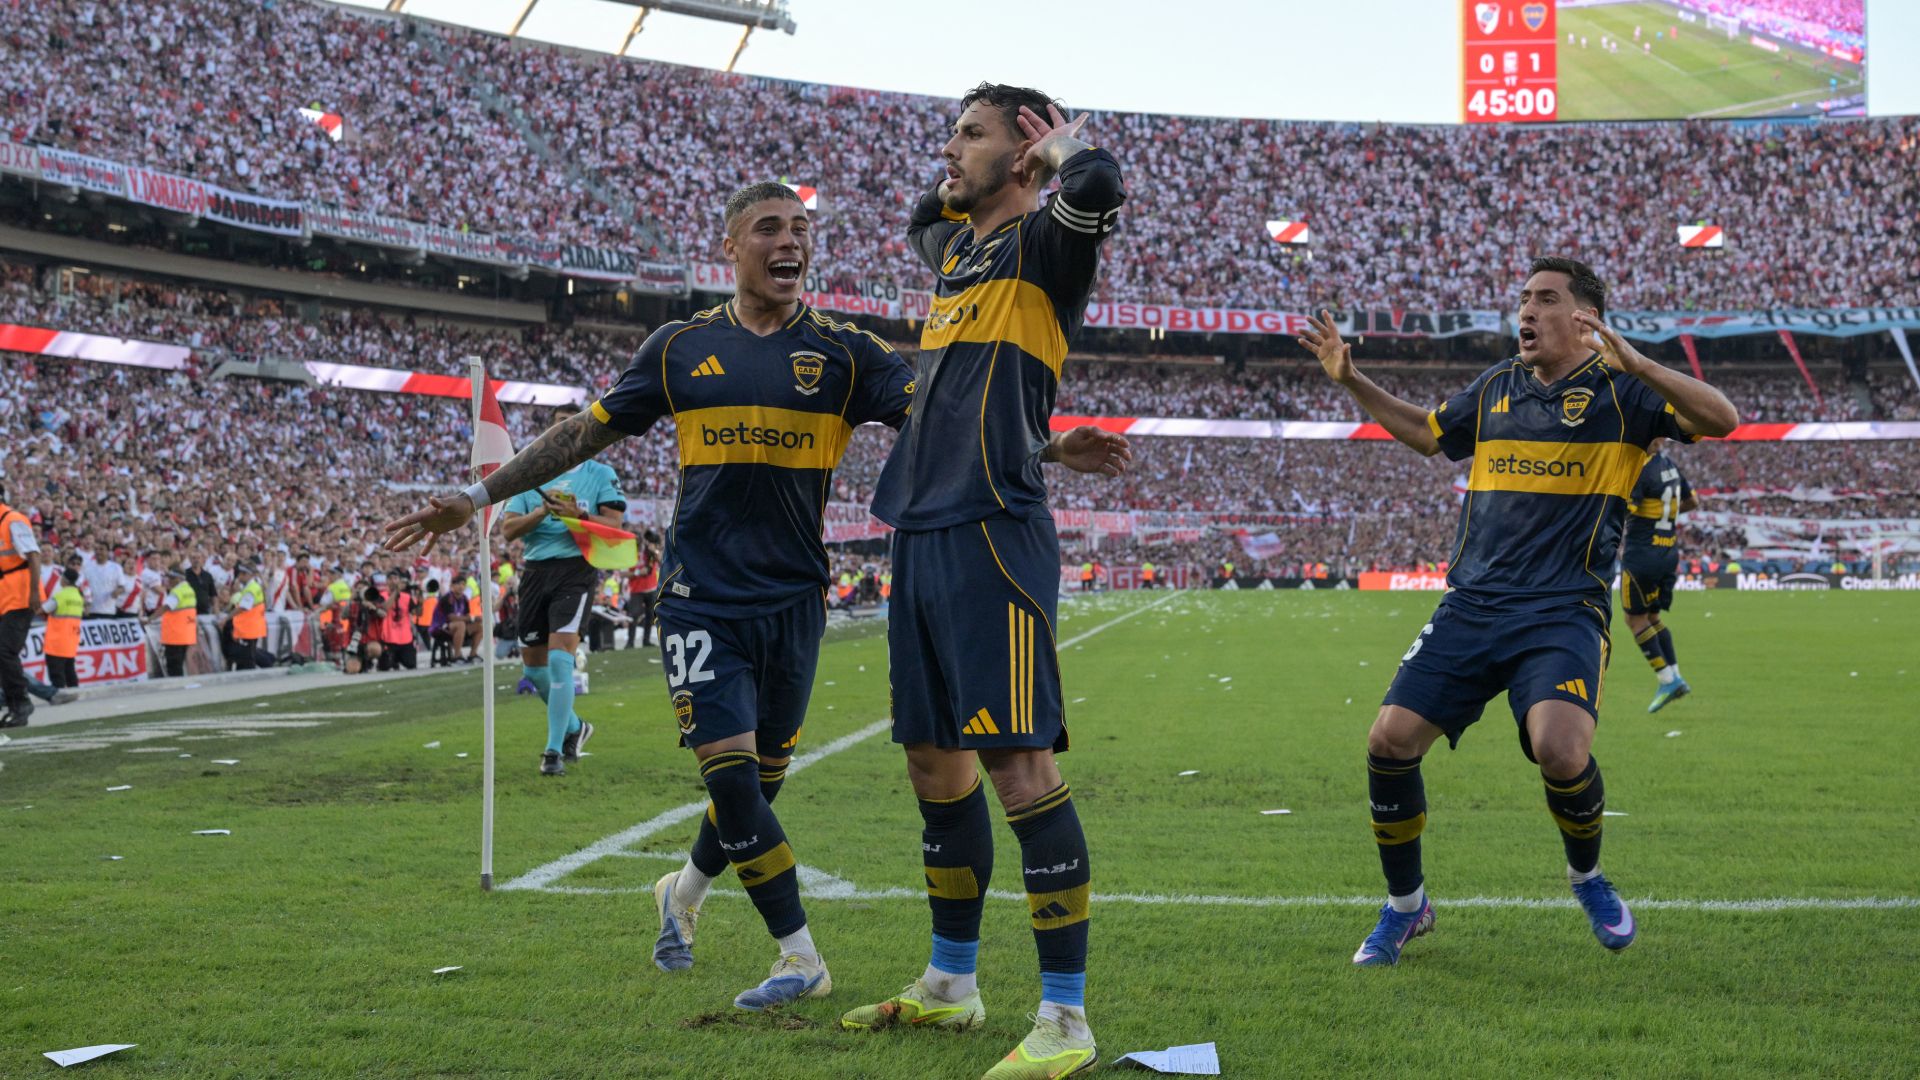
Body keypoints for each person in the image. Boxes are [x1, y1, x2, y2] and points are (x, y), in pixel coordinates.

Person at [382, 179, 922, 1014]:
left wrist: (1043, 448)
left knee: (759, 785)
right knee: (732, 778)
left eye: (801, 229)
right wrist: (477, 497)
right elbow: (581, 433)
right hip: (701, 596)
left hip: (795, 599)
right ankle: (800, 955)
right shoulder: (680, 348)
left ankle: (683, 892)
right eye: (769, 228)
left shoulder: (847, 353)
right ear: (732, 247)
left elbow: (941, 417)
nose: (790, 241)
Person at [1299, 256, 1739, 967]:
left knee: (1561, 750)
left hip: (1563, 609)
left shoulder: (1625, 392)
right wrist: (1351, 379)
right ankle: (1407, 907)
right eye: (1525, 298)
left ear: (1585, 318)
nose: (1527, 311)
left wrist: (1638, 362)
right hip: (1473, 604)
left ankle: (1587, 877)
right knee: (1389, 741)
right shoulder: (1497, 385)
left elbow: (1723, 418)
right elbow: (1426, 434)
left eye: (1546, 299)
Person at [843, 85, 1131, 1080]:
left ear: (1023, 152)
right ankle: (950, 986)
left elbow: (1097, 183)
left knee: (1018, 765)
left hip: (993, 533)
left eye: (970, 133)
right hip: (920, 529)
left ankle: (1065, 1019)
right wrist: (968, 172)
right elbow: (922, 215)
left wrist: (1061, 151)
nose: (949, 148)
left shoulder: (1048, 249)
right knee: (934, 763)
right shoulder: (959, 253)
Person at [492, 403, 622, 774]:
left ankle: (553, 753)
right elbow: (508, 530)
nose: (566, 430)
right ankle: (576, 727)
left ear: (584, 430)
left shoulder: (600, 474)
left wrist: (577, 515)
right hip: (535, 573)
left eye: (572, 424)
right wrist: (542, 513)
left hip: (576, 570)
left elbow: (615, 525)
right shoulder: (529, 474)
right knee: (534, 670)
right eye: (559, 425)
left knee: (561, 657)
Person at [1620, 444, 1698, 712]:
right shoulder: (1669, 464)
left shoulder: (1640, 466)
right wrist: (1664, 515)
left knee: (1634, 620)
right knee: (1652, 618)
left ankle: (1667, 679)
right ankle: (1676, 675)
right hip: (1668, 551)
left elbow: (1626, 508)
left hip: (1642, 555)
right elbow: (1693, 501)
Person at [1, 480, 45, 726]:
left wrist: (34, 592)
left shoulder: (13, 520)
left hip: (20, 596)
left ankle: (21, 702)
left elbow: (33, 555)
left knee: (5, 651)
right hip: (5, 598)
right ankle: (14, 704)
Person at [40, 566, 85, 689]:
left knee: (57, 675)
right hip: (71, 640)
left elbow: (43, 610)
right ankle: (74, 694)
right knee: (70, 671)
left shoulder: (61, 596)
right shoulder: (79, 596)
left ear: (64, 580)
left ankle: (60, 696)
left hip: (57, 641)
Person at [159, 563, 199, 678]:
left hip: (174, 635)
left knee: (174, 666)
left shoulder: (177, 592)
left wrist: (150, 619)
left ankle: (177, 687)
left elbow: (166, 607)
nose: (169, 581)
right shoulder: (189, 590)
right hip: (186, 634)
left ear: (178, 579)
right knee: (179, 663)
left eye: (171, 578)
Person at [624, 529, 662, 649]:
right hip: (636, 590)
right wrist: (637, 572)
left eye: (638, 538)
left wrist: (654, 550)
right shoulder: (629, 553)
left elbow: (661, 561)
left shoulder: (649, 551)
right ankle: (630, 642)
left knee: (650, 616)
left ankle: (646, 641)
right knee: (633, 615)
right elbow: (623, 573)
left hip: (651, 588)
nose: (637, 540)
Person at [226, 560, 267, 669]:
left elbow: (243, 607)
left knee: (247, 658)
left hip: (247, 629)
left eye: (241, 574)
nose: (239, 576)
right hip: (253, 627)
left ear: (247, 575)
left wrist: (226, 618)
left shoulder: (250, 589)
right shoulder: (255, 586)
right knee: (248, 656)